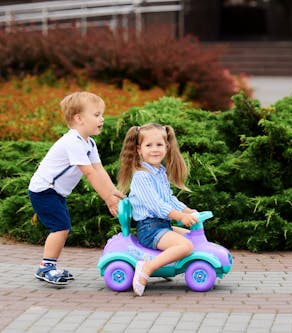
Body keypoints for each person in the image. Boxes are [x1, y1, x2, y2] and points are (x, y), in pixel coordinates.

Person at [28, 91, 124, 285]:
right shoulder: (72, 141)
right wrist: (107, 199)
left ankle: (48, 266)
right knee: (61, 227)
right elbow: (89, 173)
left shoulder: (89, 142)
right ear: (79, 118)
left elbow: (99, 169)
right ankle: (46, 267)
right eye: (96, 115)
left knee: (62, 227)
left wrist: (114, 193)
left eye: (101, 114)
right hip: (44, 190)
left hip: (54, 192)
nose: (102, 119)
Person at [117, 123, 199, 296]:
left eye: (159, 145)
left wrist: (187, 210)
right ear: (139, 149)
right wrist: (179, 216)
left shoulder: (159, 171)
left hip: (161, 225)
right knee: (185, 246)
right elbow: (156, 205)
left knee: (192, 237)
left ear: (167, 147)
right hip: (150, 229)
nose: (155, 150)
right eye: (149, 145)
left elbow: (168, 198)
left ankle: (165, 266)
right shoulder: (142, 176)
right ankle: (148, 267)